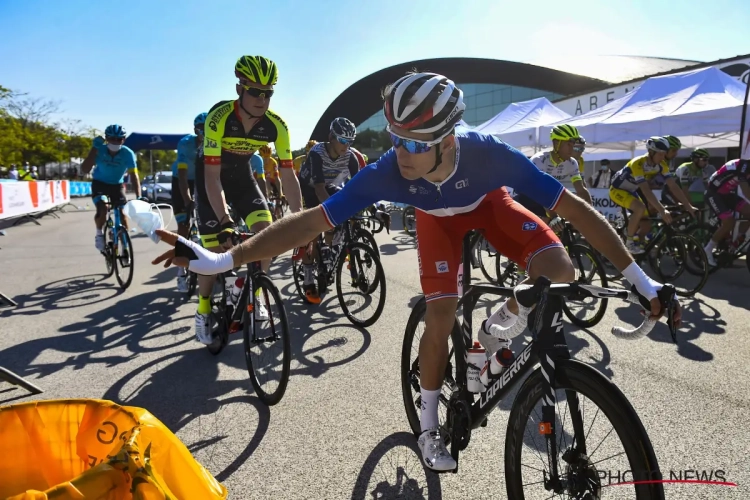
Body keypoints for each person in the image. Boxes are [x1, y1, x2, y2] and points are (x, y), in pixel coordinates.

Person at [152, 71, 680, 472]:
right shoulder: (389, 171)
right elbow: (309, 222)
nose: (400, 154)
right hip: (435, 223)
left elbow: (576, 211)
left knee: (559, 270)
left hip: (487, 202)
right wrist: (225, 259)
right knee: (442, 316)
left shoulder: (490, 155)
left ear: (448, 141)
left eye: (414, 144)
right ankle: (429, 426)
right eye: (394, 139)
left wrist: (642, 280)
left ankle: (500, 324)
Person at [191, 54, 303, 344]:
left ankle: (257, 294)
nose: (261, 99)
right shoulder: (220, 117)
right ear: (240, 88)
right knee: (214, 252)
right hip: (211, 177)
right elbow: (212, 177)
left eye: (268, 93)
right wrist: (225, 220)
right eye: (255, 91)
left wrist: (301, 216)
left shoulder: (276, 125)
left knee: (267, 237)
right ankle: (203, 308)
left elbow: (288, 175)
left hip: (242, 177)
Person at [297, 117, 363, 303]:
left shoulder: (351, 156)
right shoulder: (317, 153)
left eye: (350, 141)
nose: (346, 145)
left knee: (336, 221)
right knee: (313, 232)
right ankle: (309, 279)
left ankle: (327, 254)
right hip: (310, 187)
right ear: (330, 137)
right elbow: (318, 189)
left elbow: (358, 186)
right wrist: (335, 213)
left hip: (330, 185)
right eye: (342, 140)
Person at [609, 137, 696, 254]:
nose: (662, 158)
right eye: (660, 155)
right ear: (651, 152)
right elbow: (645, 190)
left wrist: (688, 206)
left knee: (646, 226)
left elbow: (673, 186)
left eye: (664, 154)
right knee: (640, 208)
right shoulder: (638, 163)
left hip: (632, 191)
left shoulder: (661, 165)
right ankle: (629, 243)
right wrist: (662, 210)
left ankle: (635, 248)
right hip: (617, 190)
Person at [513, 124, 593, 233]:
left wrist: (592, 214)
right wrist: (554, 216)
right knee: (544, 224)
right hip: (526, 195)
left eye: (573, 144)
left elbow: (581, 190)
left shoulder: (572, 163)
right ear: (556, 143)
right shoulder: (539, 160)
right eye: (568, 144)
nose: (572, 148)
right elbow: (540, 193)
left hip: (546, 197)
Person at [81, 124, 140, 251]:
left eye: (119, 139)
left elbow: (134, 175)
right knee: (103, 207)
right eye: (112, 139)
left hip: (117, 185)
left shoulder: (128, 153)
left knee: (122, 214)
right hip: (100, 183)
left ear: (123, 140)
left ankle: (125, 245)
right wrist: (93, 149)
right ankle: (99, 234)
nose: (115, 142)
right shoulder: (99, 150)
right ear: (106, 139)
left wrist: (139, 196)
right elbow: (84, 169)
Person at [172, 112, 205, 292]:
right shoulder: (185, 144)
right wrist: (188, 200)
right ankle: (181, 273)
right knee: (183, 226)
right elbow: (183, 177)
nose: (205, 132)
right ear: (195, 130)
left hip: (200, 181)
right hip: (181, 181)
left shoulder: (214, 143)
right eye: (201, 129)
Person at [704, 158, 750, 267]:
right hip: (713, 194)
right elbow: (745, 189)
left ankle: (735, 243)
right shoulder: (744, 165)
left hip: (727, 194)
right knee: (729, 222)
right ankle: (708, 249)